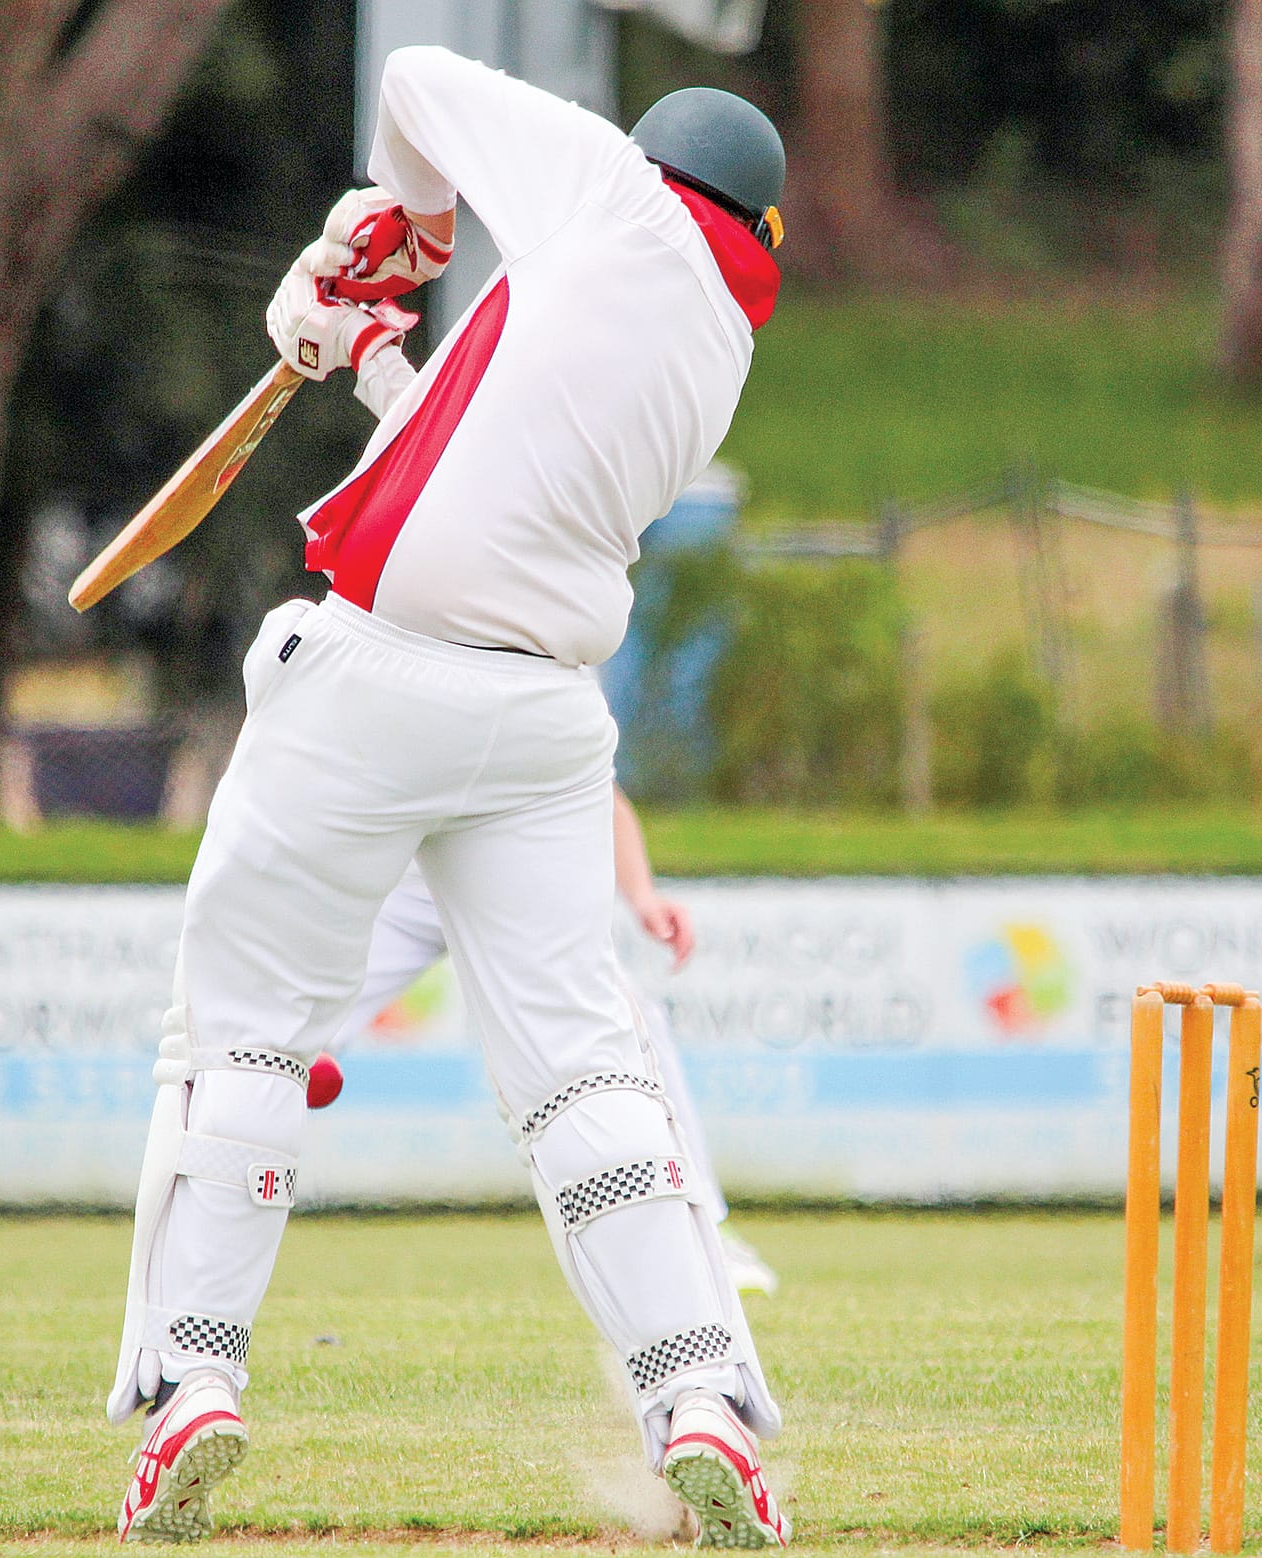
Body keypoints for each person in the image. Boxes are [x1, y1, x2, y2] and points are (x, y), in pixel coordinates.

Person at [108, 48, 791, 1546]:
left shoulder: (614, 197)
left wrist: (393, 224)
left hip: (378, 681)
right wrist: (357, 349)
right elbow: (475, 448)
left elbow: (415, 77)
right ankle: (696, 1402)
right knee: (579, 1071)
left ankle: (193, 1386)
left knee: (242, 1031)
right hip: (540, 721)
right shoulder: (711, 350)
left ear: (656, 165)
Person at [319, 785, 780, 1297]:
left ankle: (705, 1234)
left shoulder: (537, 708)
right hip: (403, 876)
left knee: (633, 1023)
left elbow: (603, 790)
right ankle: (222, 1242)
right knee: (286, 1040)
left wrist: (643, 896)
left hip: (509, 882)